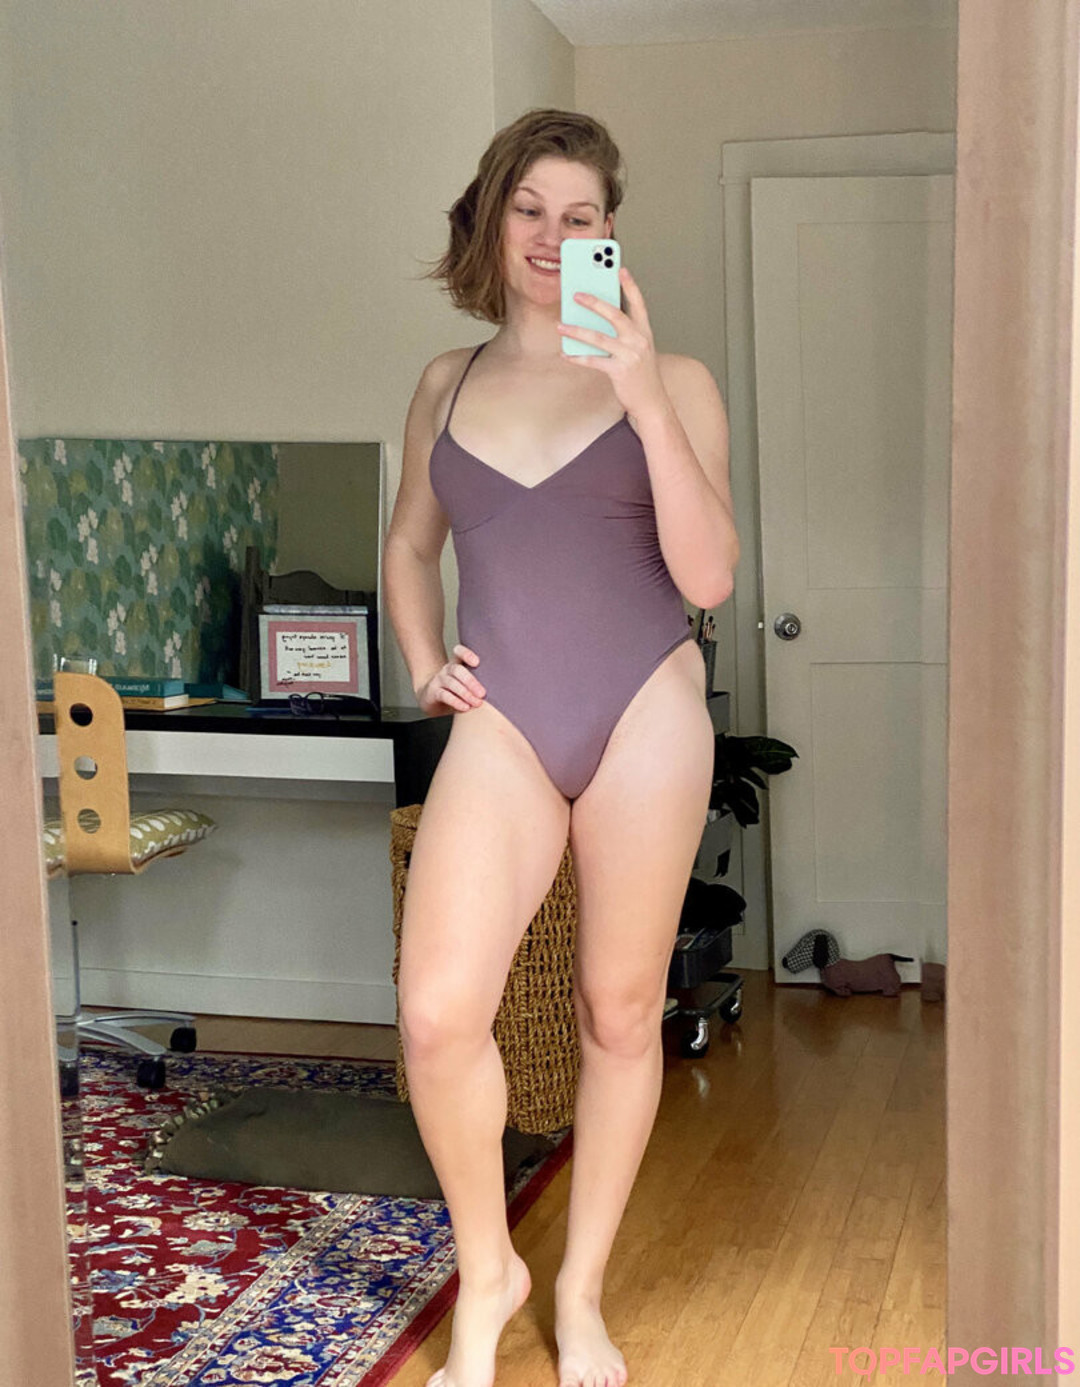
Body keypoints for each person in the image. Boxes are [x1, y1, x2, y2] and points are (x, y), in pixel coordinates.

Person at [383, 108, 738, 1387]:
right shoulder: (446, 381)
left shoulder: (675, 378)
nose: (550, 234)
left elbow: (709, 576)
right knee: (436, 1015)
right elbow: (410, 541)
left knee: (619, 1009)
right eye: (528, 208)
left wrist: (639, 392)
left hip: (645, 702)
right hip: (506, 715)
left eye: (579, 215)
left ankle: (579, 1292)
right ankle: (492, 1270)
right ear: (490, 217)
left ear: (609, 234)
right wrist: (424, 657)